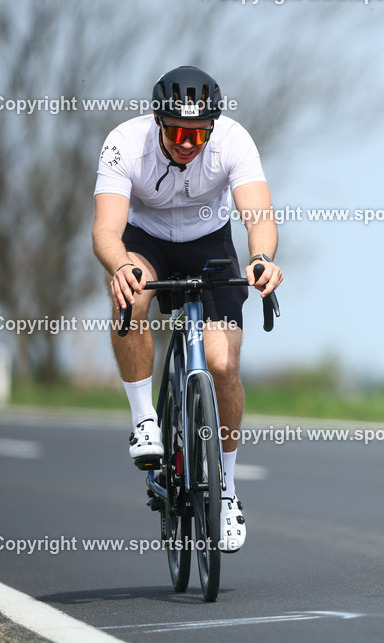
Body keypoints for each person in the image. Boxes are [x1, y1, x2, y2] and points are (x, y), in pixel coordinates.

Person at [92, 66, 283, 551]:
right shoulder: (124, 142)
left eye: (197, 135)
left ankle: (227, 489)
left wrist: (261, 258)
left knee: (222, 363)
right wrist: (119, 266)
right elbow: (105, 231)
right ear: (158, 120)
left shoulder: (235, 141)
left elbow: (258, 216)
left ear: (212, 127)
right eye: (176, 132)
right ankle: (143, 422)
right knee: (131, 293)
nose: (186, 143)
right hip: (146, 241)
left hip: (209, 244)